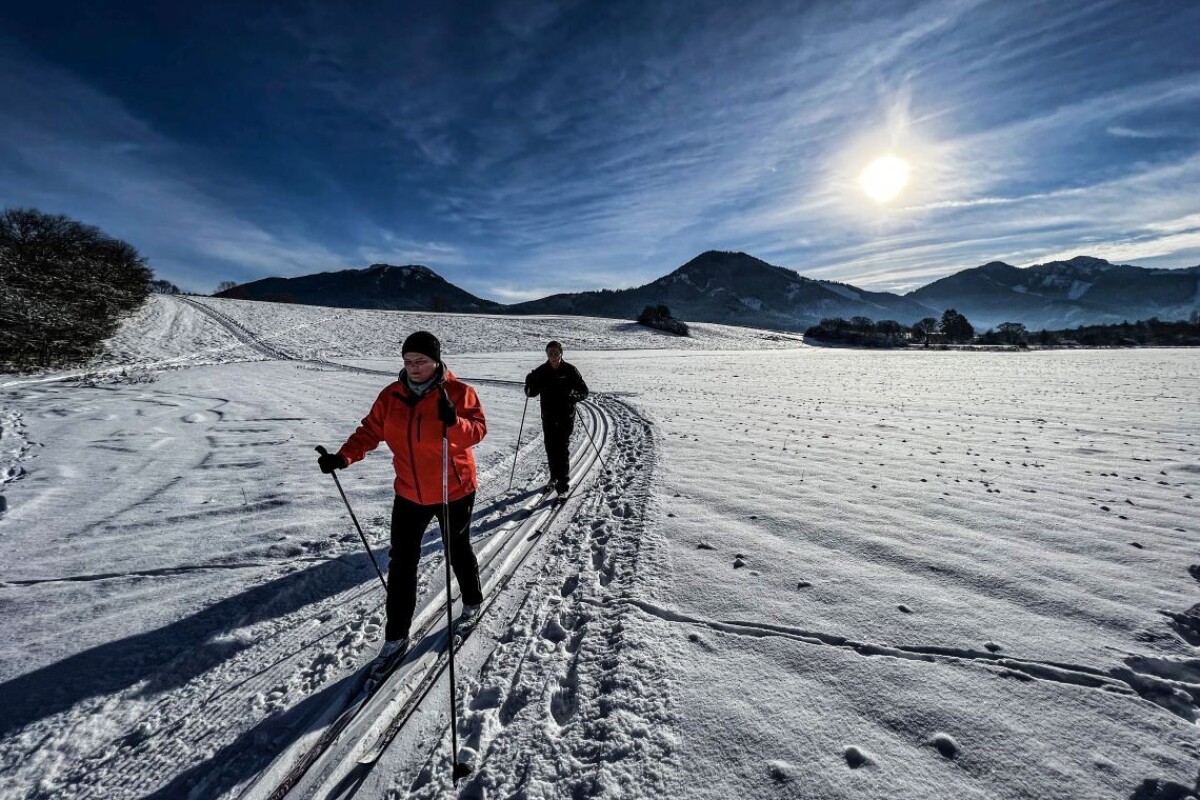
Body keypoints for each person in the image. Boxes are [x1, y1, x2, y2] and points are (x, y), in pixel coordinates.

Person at [317, 331, 486, 666]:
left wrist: (453, 422)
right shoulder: (391, 395)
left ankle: (472, 602)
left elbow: (477, 430)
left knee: (458, 549)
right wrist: (343, 457)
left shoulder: (458, 392)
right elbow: (370, 431)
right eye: (408, 361)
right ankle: (395, 636)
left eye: (420, 361)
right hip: (409, 491)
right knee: (402, 564)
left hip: (453, 489)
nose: (413, 367)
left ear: (436, 360)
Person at [524, 340, 589, 496]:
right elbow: (531, 393)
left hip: (566, 416)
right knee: (551, 448)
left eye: (555, 353)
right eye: (550, 353)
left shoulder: (570, 370)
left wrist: (575, 396)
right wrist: (529, 382)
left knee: (562, 449)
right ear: (547, 354)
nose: (553, 356)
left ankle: (563, 485)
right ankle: (553, 478)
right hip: (548, 416)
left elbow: (584, 391)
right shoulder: (541, 371)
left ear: (561, 353)